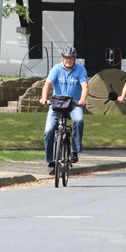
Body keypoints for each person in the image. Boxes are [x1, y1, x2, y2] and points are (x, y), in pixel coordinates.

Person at [39, 46, 89, 175]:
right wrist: (44, 98)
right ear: (62, 59)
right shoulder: (56, 68)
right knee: (49, 130)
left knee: (79, 120)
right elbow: (48, 84)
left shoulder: (80, 69)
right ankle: (51, 161)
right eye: (66, 58)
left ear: (74, 59)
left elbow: (85, 86)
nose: (68, 60)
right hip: (57, 103)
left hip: (74, 103)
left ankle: (74, 151)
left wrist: (82, 99)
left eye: (71, 58)